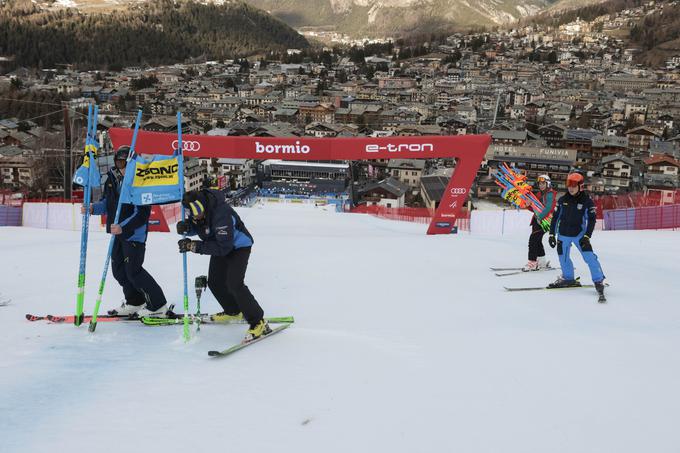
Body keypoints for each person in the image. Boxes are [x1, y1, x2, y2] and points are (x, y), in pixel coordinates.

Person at [176, 188, 270, 341]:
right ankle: (233, 311)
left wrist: (194, 246)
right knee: (215, 282)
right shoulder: (199, 211)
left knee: (234, 284)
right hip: (219, 245)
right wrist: (188, 228)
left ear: (200, 208)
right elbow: (203, 227)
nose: (191, 217)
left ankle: (258, 322)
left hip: (238, 247)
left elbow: (224, 247)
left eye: (192, 214)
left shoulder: (221, 214)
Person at [85, 146, 169, 317]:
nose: (122, 167)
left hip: (133, 234)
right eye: (119, 162)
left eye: (126, 163)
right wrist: (93, 208)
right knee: (119, 272)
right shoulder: (112, 179)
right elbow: (108, 203)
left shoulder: (140, 182)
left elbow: (142, 214)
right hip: (117, 234)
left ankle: (158, 304)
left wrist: (123, 226)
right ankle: (135, 301)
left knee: (134, 271)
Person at [547, 172, 606, 298]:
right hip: (563, 234)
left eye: (574, 185)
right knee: (563, 257)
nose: (571, 187)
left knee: (590, 257)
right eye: (569, 184)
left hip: (580, 235)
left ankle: (598, 280)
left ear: (581, 186)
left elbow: (591, 220)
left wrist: (587, 236)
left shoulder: (587, 201)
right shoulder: (563, 200)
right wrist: (552, 234)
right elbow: (555, 218)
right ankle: (568, 278)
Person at [523, 174, 556, 271]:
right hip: (537, 221)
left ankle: (532, 262)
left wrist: (540, 217)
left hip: (543, 221)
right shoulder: (539, 194)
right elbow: (534, 209)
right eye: (540, 183)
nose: (541, 185)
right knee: (537, 241)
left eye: (543, 183)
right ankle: (542, 262)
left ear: (548, 183)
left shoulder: (550, 194)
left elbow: (549, 208)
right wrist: (528, 205)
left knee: (532, 240)